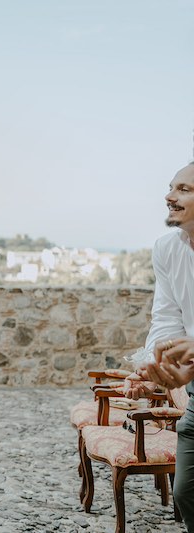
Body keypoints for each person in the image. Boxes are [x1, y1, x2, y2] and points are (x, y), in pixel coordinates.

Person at [124, 162, 194, 531]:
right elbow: (167, 317)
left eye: (184, 189)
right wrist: (152, 367)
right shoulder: (167, 248)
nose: (169, 196)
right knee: (187, 493)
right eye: (171, 187)